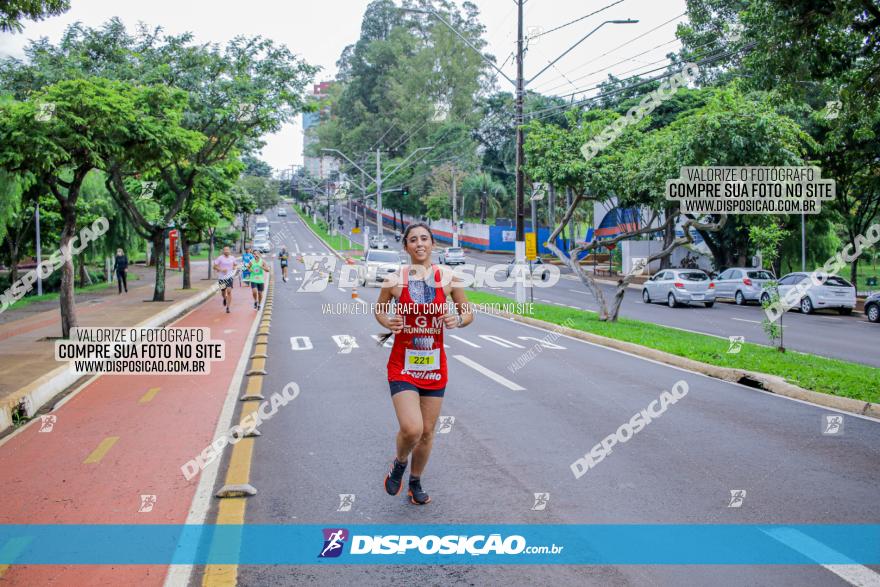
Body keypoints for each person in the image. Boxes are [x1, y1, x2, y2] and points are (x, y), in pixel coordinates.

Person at [374, 222, 473, 505]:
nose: (420, 244)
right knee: (412, 428)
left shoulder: (449, 278)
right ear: (406, 246)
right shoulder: (394, 280)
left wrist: (458, 320)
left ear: (432, 245)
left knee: (428, 432)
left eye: (425, 239)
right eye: (413, 240)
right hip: (402, 365)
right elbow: (380, 309)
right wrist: (387, 321)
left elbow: (467, 313)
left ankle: (415, 482)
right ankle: (400, 462)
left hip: (434, 366)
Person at [213, 246, 238, 313]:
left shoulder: (232, 258)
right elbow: (214, 267)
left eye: (228, 250)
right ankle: (224, 298)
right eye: (225, 250)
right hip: (222, 278)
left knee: (229, 291)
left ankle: (228, 307)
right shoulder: (220, 258)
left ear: (229, 251)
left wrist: (234, 267)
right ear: (223, 251)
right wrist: (221, 270)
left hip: (229, 277)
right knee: (223, 292)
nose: (226, 251)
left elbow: (235, 265)